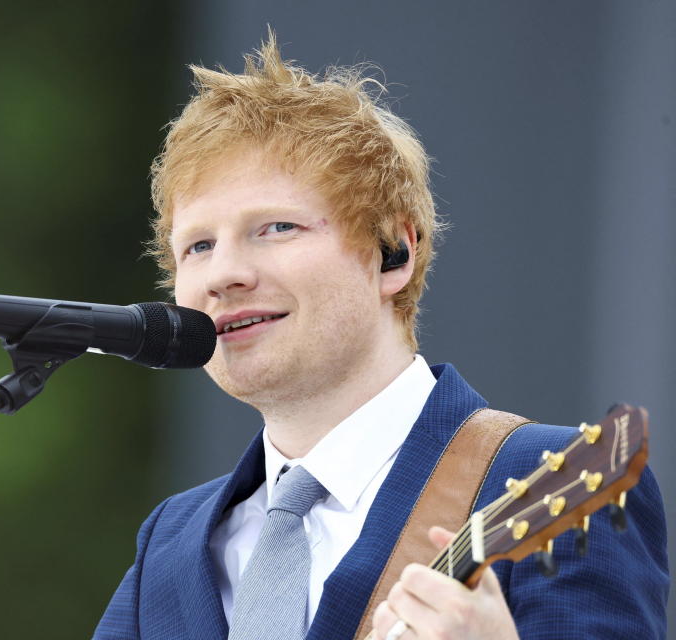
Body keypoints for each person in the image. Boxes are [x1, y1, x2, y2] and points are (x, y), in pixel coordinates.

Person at [94, 33, 669, 640]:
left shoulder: (555, 483)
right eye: (198, 246)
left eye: (276, 228)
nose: (224, 274)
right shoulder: (173, 540)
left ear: (393, 254)